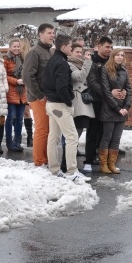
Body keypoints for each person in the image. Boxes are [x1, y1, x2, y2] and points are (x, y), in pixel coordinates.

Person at [42, 34, 90, 184]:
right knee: (72, 137)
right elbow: (62, 86)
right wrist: (69, 102)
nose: (72, 48)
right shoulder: (62, 63)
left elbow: (44, 82)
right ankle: (72, 171)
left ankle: (54, 170)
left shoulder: (52, 60)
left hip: (51, 103)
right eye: (70, 46)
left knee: (54, 138)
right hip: (60, 105)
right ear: (63, 47)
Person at [22, 24, 54, 166]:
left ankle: (46, 158)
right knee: (42, 129)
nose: (52, 35)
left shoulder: (50, 52)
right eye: (49, 33)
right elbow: (28, 76)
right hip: (38, 97)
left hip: (48, 96)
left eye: (53, 32)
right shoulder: (35, 52)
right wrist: (39, 95)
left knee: (48, 130)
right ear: (40, 35)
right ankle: (39, 161)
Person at [98, 48, 132, 174]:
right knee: (107, 137)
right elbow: (106, 92)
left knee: (117, 138)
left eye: (122, 55)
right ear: (113, 56)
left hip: (122, 110)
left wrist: (126, 107)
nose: (120, 57)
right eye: (117, 55)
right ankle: (103, 164)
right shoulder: (105, 69)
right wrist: (117, 108)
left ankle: (112, 164)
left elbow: (129, 90)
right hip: (109, 109)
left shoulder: (124, 71)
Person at [83, 36, 114, 170]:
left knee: (104, 132)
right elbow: (93, 82)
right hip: (96, 101)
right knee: (93, 131)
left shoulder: (111, 62)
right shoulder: (93, 61)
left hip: (109, 102)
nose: (109, 50)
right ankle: (88, 160)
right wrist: (108, 93)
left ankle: (101, 158)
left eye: (111, 47)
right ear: (99, 46)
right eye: (107, 47)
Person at [68, 43, 95, 163]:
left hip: (84, 98)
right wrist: (87, 62)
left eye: (81, 52)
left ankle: (72, 155)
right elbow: (80, 77)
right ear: (71, 52)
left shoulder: (82, 63)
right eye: (77, 52)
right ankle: (69, 159)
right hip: (77, 99)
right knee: (76, 129)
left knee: (80, 128)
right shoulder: (69, 63)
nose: (79, 54)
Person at [4, 38, 27, 152]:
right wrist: (15, 81)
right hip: (11, 91)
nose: (17, 48)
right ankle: (9, 143)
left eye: (18, 46)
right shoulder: (6, 59)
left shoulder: (23, 59)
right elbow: (3, 75)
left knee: (19, 118)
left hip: (22, 92)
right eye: (14, 46)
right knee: (10, 117)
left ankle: (17, 142)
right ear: (10, 47)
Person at [19, 38, 34, 147]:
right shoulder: (16, 57)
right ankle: (27, 137)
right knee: (24, 112)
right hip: (18, 86)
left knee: (26, 112)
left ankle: (30, 136)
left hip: (26, 87)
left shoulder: (28, 57)